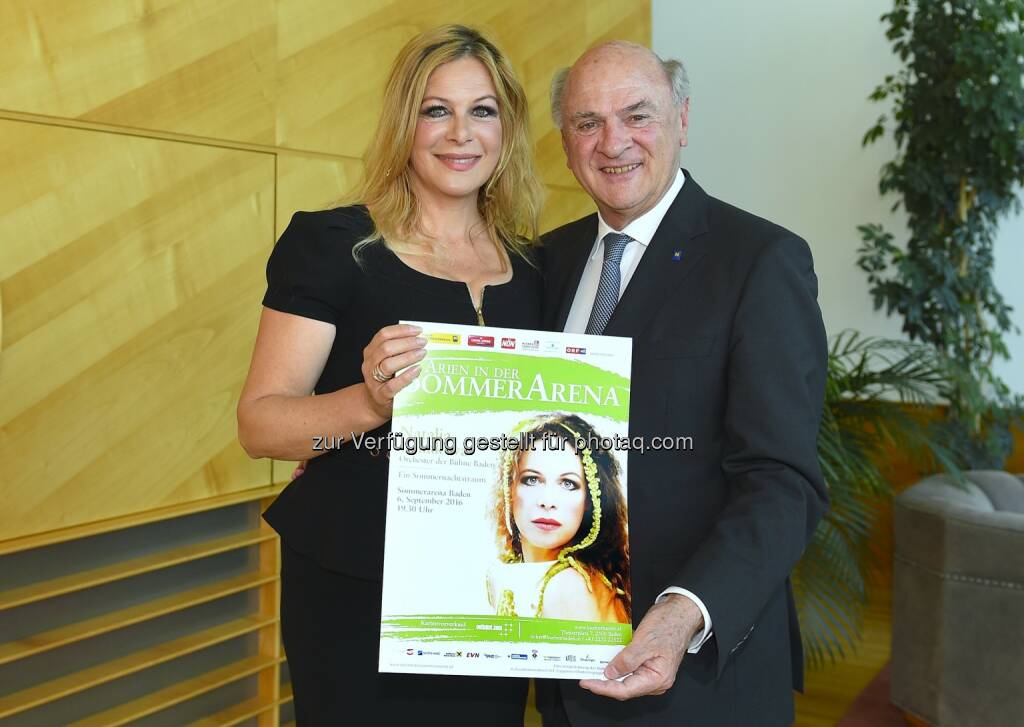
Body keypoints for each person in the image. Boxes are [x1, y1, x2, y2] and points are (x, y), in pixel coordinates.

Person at [236, 25, 543, 725]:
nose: (459, 133)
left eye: (482, 110)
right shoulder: (335, 245)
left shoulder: (538, 270)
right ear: (405, 122)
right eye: (436, 109)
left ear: (508, 128)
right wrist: (369, 402)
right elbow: (259, 424)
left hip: (495, 593)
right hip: (354, 586)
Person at [536, 41, 828, 726]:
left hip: (698, 676)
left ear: (682, 119)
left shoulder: (759, 261)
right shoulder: (544, 261)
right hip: (564, 665)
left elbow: (783, 481)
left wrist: (683, 610)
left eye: (638, 114)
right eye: (587, 122)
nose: (614, 142)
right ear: (565, 138)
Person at [486, 413, 630, 624]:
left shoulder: (569, 586)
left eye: (568, 483)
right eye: (532, 479)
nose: (547, 501)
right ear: (508, 488)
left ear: (590, 501)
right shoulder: (505, 573)